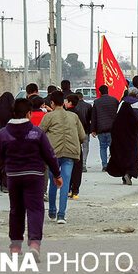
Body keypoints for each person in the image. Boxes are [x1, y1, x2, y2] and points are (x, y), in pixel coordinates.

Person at [0, 98, 62, 261]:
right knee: (35, 209)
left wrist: (8, 167)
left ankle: (16, 247)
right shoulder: (36, 132)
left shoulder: (3, 133)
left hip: (14, 176)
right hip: (35, 176)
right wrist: (57, 174)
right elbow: (49, 154)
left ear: (13, 113)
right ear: (28, 114)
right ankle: (34, 244)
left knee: (16, 210)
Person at [39, 91, 85, 224]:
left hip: (53, 154)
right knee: (65, 181)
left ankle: (52, 210)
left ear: (52, 103)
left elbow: (40, 133)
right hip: (70, 154)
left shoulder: (48, 117)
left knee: (55, 180)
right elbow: (82, 136)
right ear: (63, 102)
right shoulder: (74, 117)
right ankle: (61, 215)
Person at [111, 87, 138, 184]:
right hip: (136, 132)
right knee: (135, 152)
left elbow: (117, 117)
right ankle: (130, 173)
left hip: (123, 133)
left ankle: (124, 174)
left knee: (124, 153)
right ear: (137, 95)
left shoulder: (122, 103)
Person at [105, 102, 138, 185]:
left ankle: (124, 175)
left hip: (120, 145)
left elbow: (113, 131)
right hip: (131, 144)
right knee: (133, 160)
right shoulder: (133, 118)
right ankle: (128, 174)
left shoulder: (117, 119)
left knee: (121, 160)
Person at [91, 85, 119, 171]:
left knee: (102, 147)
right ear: (108, 91)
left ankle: (104, 165)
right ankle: (112, 164)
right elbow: (118, 114)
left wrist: (93, 130)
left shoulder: (97, 102)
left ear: (100, 92)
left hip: (101, 129)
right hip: (112, 129)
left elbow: (94, 117)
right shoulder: (114, 100)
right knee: (112, 147)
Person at [66, 94, 86, 199]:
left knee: (66, 167)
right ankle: (75, 191)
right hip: (77, 144)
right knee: (77, 168)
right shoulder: (79, 114)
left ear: (69, 102)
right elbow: (83, 130)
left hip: (66, 144)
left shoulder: (66, 114)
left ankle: (67, 189)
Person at [73, 92, 92, 171]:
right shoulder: (88, 106)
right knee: (85, 146)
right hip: (85, 129)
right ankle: (83, 163)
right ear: (83, 97)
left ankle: (77, 163)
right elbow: (91, 119)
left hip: (75, 130)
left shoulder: (73, 107)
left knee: (76, 146)